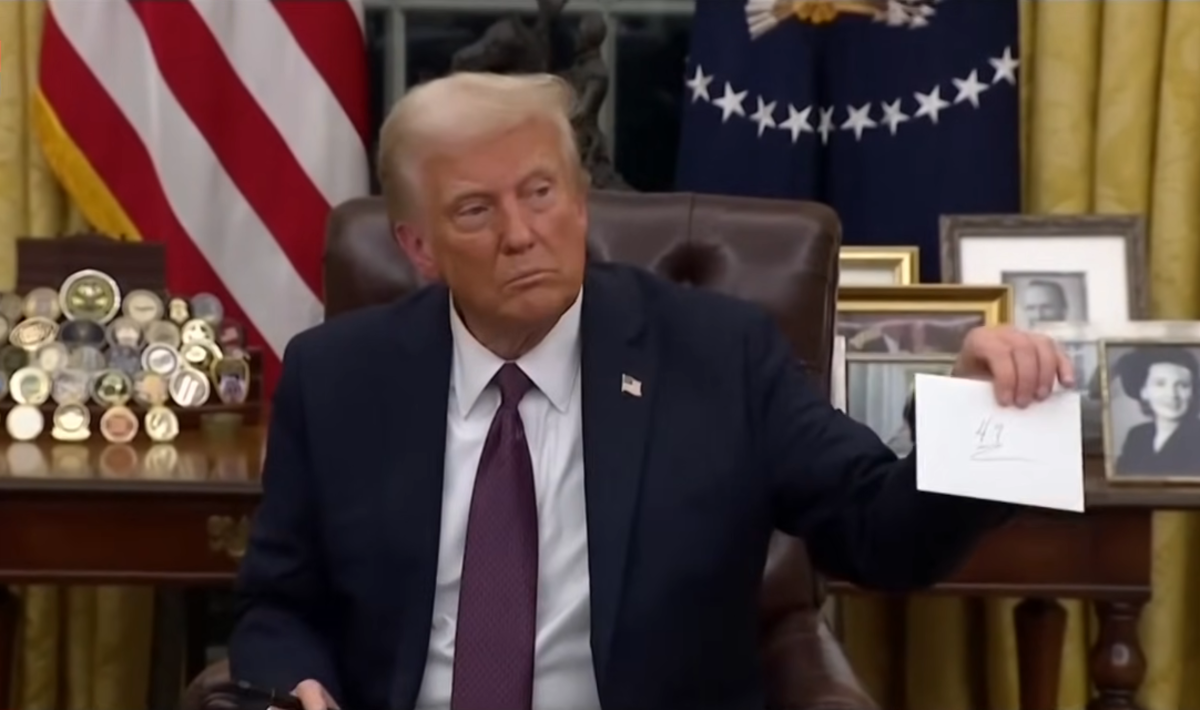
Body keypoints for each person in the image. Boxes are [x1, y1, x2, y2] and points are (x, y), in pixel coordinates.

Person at [228, 72, 1073, 710]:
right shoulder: (338, 378)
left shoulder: (718, 354)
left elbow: (883, 536)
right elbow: (278, 603)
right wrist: (297, 681)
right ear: (418, 246)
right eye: (476, 211)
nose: (521, 235)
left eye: (540, 193)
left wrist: (974, 423)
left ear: (582, 202)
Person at [1113, 346, 1200, 476]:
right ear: (1144, 391)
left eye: (1182, 385)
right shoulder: (1137, 436)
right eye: (1160, 384)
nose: (1172, 394)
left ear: (1193, 392)